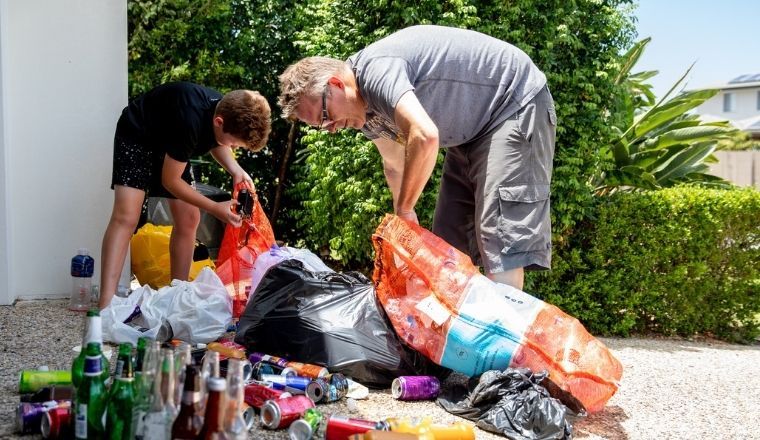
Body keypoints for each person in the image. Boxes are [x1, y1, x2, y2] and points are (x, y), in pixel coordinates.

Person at [278, 25, 556, 290]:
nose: (331, 129)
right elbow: (394, 164)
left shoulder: (377, 71)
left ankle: (503, 335)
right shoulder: (362, 114)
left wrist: (406, 208)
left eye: (325, 117)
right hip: (471, 132)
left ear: (337, 84)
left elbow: (424, 136)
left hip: (513, 102)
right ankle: (456, 332)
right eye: (321, 127)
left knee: (498, 234)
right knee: (448, 242)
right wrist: (404, 227)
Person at [99, 82, 271, 308]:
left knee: (189, 218)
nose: (234, 148)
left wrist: (236, 170)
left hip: (171, 143)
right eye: (234, 144)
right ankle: (105, 301)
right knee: (126, 217)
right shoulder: (190, 120)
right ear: (218, 122)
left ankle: (177, 294)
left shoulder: (227, 108)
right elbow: (170, 181)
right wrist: (214, 207)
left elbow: (216, 140)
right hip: (138, 135)